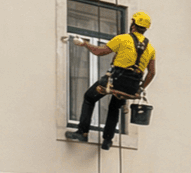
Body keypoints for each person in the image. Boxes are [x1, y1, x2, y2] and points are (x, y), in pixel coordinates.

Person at [64, 12, 158, 151]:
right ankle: (107, 140)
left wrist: (85, 44)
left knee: (89, 98)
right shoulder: (150, 49)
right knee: (115, 107)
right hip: (131, 86)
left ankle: (82, 132)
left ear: (133, 25)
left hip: (116, 79)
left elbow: (99, 51)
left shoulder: (123, 39)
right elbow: (151, 73)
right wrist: (140, 88)